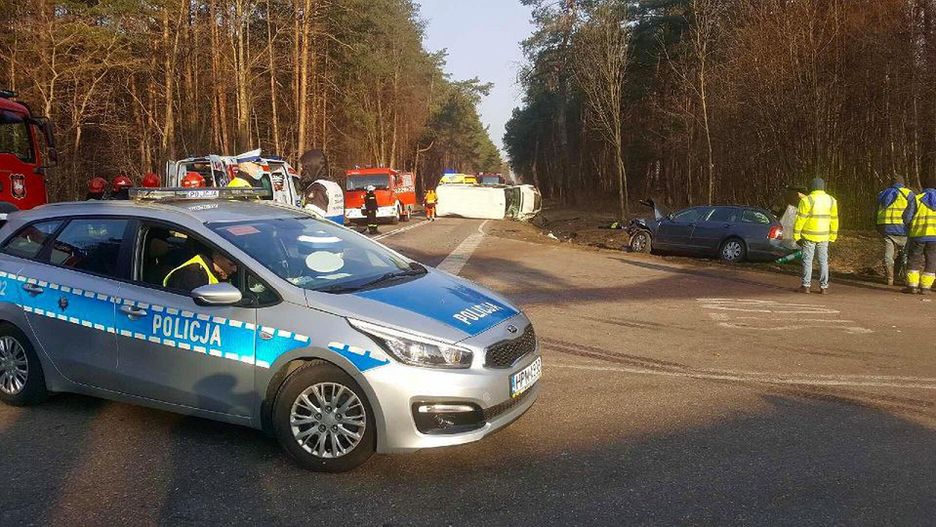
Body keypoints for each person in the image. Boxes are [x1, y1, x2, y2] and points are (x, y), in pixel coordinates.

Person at [793, 177, 839, 294]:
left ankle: (806, 285)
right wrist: (833, 235)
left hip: (809, 235)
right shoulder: (832, 200)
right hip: (824, 236)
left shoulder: (806, 200)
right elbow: (834, 220)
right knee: (823, 261)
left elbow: (800, 219)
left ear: (811, 187)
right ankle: (824, 287)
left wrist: (796, 234)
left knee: (807, 260)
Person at [876, 176, 914, 285]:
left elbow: (876, 211)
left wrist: (878, 226)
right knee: (906, 254)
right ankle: (907, 279)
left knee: (888, 255)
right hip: (903, 229)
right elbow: (911, 211)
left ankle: (890, 279)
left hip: (886, 228)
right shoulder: (908, 194)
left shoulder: (882, 194)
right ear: (903, 183)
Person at [902, 178, 936, 295]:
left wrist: (910, 226)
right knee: (931, 260)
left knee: (914, 259)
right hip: (935, 238)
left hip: (918, 235)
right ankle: (926, 287)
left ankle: (912, 286)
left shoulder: (916, 199)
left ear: (923, 187)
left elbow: (907, 217)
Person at [163, 248, 237, 292]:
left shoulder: (210, 271)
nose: (235, 269)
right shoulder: (193, 273)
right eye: (231, 264)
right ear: (216, 257)